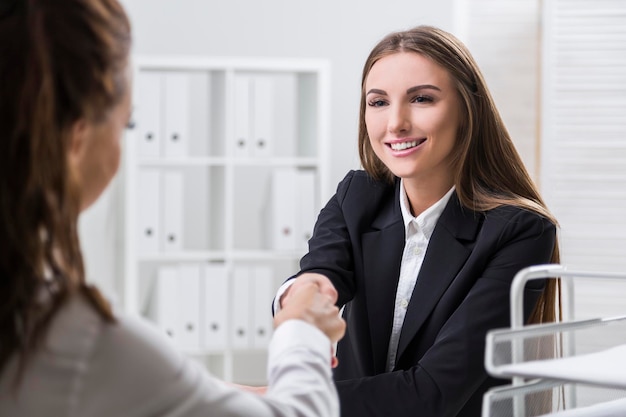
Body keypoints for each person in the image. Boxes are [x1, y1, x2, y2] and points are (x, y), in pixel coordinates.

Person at [0, 1, 345, 416]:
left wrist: (196, 388)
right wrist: (303, 331)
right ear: (76, 137)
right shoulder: (72, 341)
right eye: (125, 124)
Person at [275, 25, 560, 417]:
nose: (395, 123)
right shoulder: (357, 196)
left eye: (422, 99)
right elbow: (322, 271)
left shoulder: (519, 231)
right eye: (378, 103)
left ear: (467, 109)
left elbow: (431, 394)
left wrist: (276, 400)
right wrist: (304, 296)